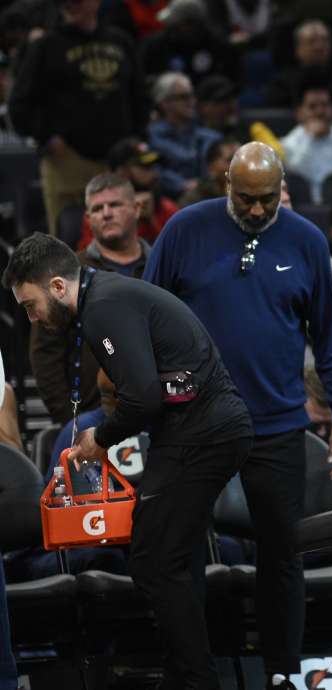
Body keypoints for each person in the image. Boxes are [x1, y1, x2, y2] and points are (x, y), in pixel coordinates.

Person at [143, 142, 332, 690]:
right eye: (246, 198)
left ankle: (284, 674)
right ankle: (195, 676)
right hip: (191, 424)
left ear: (281, 189)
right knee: (181, 554)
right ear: (225, 185)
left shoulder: (307, 240)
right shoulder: (184, 232)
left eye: (267, 200)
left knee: (283, 555)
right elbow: (144, 314)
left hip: (278, 423)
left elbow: (331, 337)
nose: (258, 210)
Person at [5, 233, 252, 690]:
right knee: (176, 558)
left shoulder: (104, 306)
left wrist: (102, 436)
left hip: (201, 434)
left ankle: (195, 680)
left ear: (58, 286)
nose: (32, 317)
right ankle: (187, 676)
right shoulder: (112, 295)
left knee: (153, 558)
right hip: (205, 430)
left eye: (30, 304)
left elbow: (142, 397)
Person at [8, 0, 146, 234]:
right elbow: (19, 105)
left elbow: (139, 97)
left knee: (122, 235)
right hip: (68, 161)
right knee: (69, 240)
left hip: (119, 161)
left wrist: (137, 139)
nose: (71, 5)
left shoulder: (121, 41)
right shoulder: (45, 46)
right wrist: (47, 137)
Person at [30, 172, 151, 426]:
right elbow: (45, 353)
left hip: (160, 413)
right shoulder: (65, 274)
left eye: (115, 204)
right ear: (88, 218)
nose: (106, 213)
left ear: (137, 208)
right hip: (92, 415)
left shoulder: (160, 264)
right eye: (97, 208)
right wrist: (69, 420)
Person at [147, 71, 222, 200]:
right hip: (171, 199)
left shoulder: (207, 135)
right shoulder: (152, 137)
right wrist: (181, 184)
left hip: (206, 195)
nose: (191, 101)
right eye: (184, 97)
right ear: (164, 103)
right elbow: (153, 172)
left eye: (192, 96)